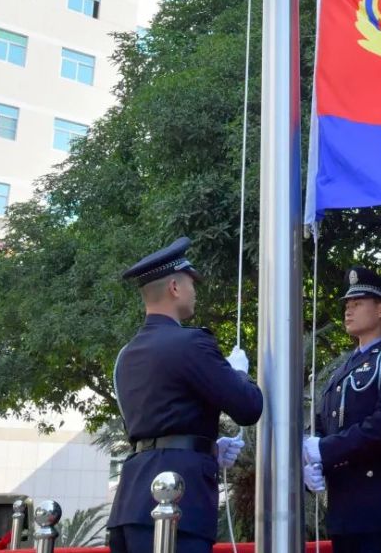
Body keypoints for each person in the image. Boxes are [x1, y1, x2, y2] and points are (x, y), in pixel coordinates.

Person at [106, 237, 264, 553]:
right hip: (177, 497)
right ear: (175, 287)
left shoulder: (127, 355)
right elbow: (248, 407)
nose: (195, 292)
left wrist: (208, 447)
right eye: (192, 283)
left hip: (131, 499)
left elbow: (156, 423)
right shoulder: (191, 344)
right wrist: (238, 373)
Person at [303, 267, 381, 553]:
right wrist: (310, 459)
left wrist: (325, 450)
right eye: (347, 305)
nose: (348, 311)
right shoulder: (340, 371)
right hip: (344, 512)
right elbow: (320, 423)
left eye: (357, 304)